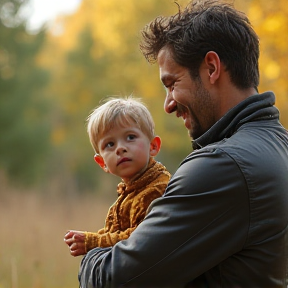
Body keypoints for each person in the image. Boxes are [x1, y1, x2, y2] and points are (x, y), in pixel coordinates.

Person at [79, 0, 288, 287]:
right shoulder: (279, 145)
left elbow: (115, 279)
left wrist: (90, 255)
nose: (168, 104)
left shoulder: (223, 166)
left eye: (171, 83)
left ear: (212, 68)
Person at [64, 97, 171, 257]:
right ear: (102, 163)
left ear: (153, 146)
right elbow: (114, 233)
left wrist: (92, 242)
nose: (120, 148)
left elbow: (141, 238)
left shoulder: (157, 189)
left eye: (130, 137)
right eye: (110, 144)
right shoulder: (128, 193)